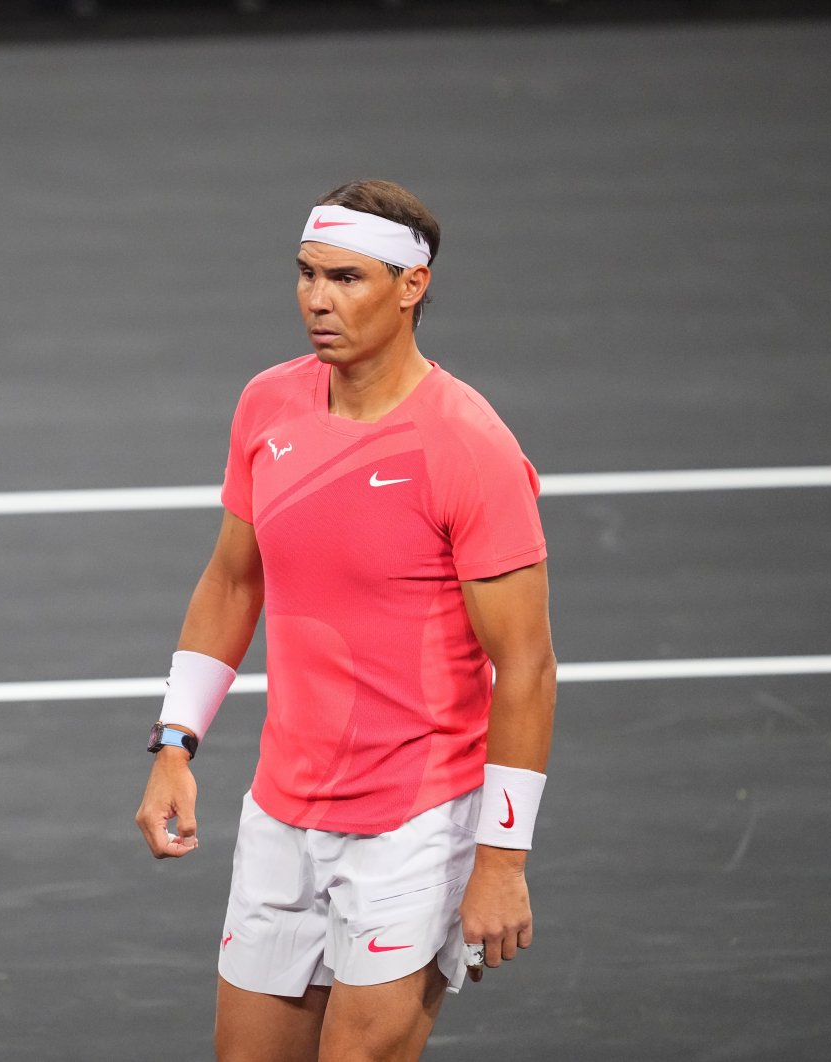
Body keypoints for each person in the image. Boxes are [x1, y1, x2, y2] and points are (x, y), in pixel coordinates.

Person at [135, 179, 556, 1062]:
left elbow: (525, 667)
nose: (317, 300)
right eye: (306, 274)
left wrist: (503, 860)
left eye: (347, 278)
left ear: (412, 286)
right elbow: (231, 582)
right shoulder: (268, 404)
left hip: (416, 825)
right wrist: (175, 743)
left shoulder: (469, 445)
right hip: (282, 812)